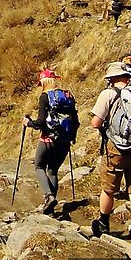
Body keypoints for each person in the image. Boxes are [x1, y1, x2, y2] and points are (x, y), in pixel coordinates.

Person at [89, 62, 131, 248]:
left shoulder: (108, 94)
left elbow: (95, 123)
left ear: (112, 79)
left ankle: (104, 223)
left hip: (116, 148)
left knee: (108, 188)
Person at [23, 69, 79, 215]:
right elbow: (76, 121)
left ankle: (49, 196)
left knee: (39, 166)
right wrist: (72, 136)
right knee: (53, 170)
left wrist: (28, 123)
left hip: (48, 139)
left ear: (43, 81)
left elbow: (41, 122)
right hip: (65, 141)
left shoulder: (45, 96)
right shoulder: (68, 95)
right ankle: (51, 209)